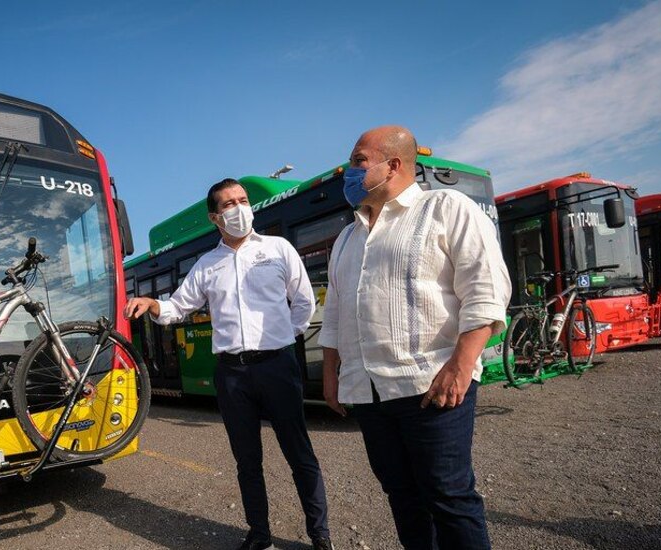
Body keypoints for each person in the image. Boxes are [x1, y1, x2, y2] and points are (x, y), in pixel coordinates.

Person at [319, 126, 510, 549]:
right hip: (368, 392)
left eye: (357, 161)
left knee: (449, 496)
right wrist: (332, 373)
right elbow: (334, 313)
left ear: (394, 165)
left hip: (431, 385)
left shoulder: (446, 208)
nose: (348, 173)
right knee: (402, 496)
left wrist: (461, 367)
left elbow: (485, 289)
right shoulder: (347, 238)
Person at [125, 179, 334, 550]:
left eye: (243, 200)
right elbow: (178, 306)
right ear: (215, 217)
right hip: (232, 374)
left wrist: (285, 337)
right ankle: (259, 535)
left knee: (299, 454)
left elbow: (303, 302)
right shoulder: (207, 265)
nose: (239, 208)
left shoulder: (278, 249)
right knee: (247, 460)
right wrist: (153, 304)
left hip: (277, 366)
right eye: (229, 204)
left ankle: (320, 536)